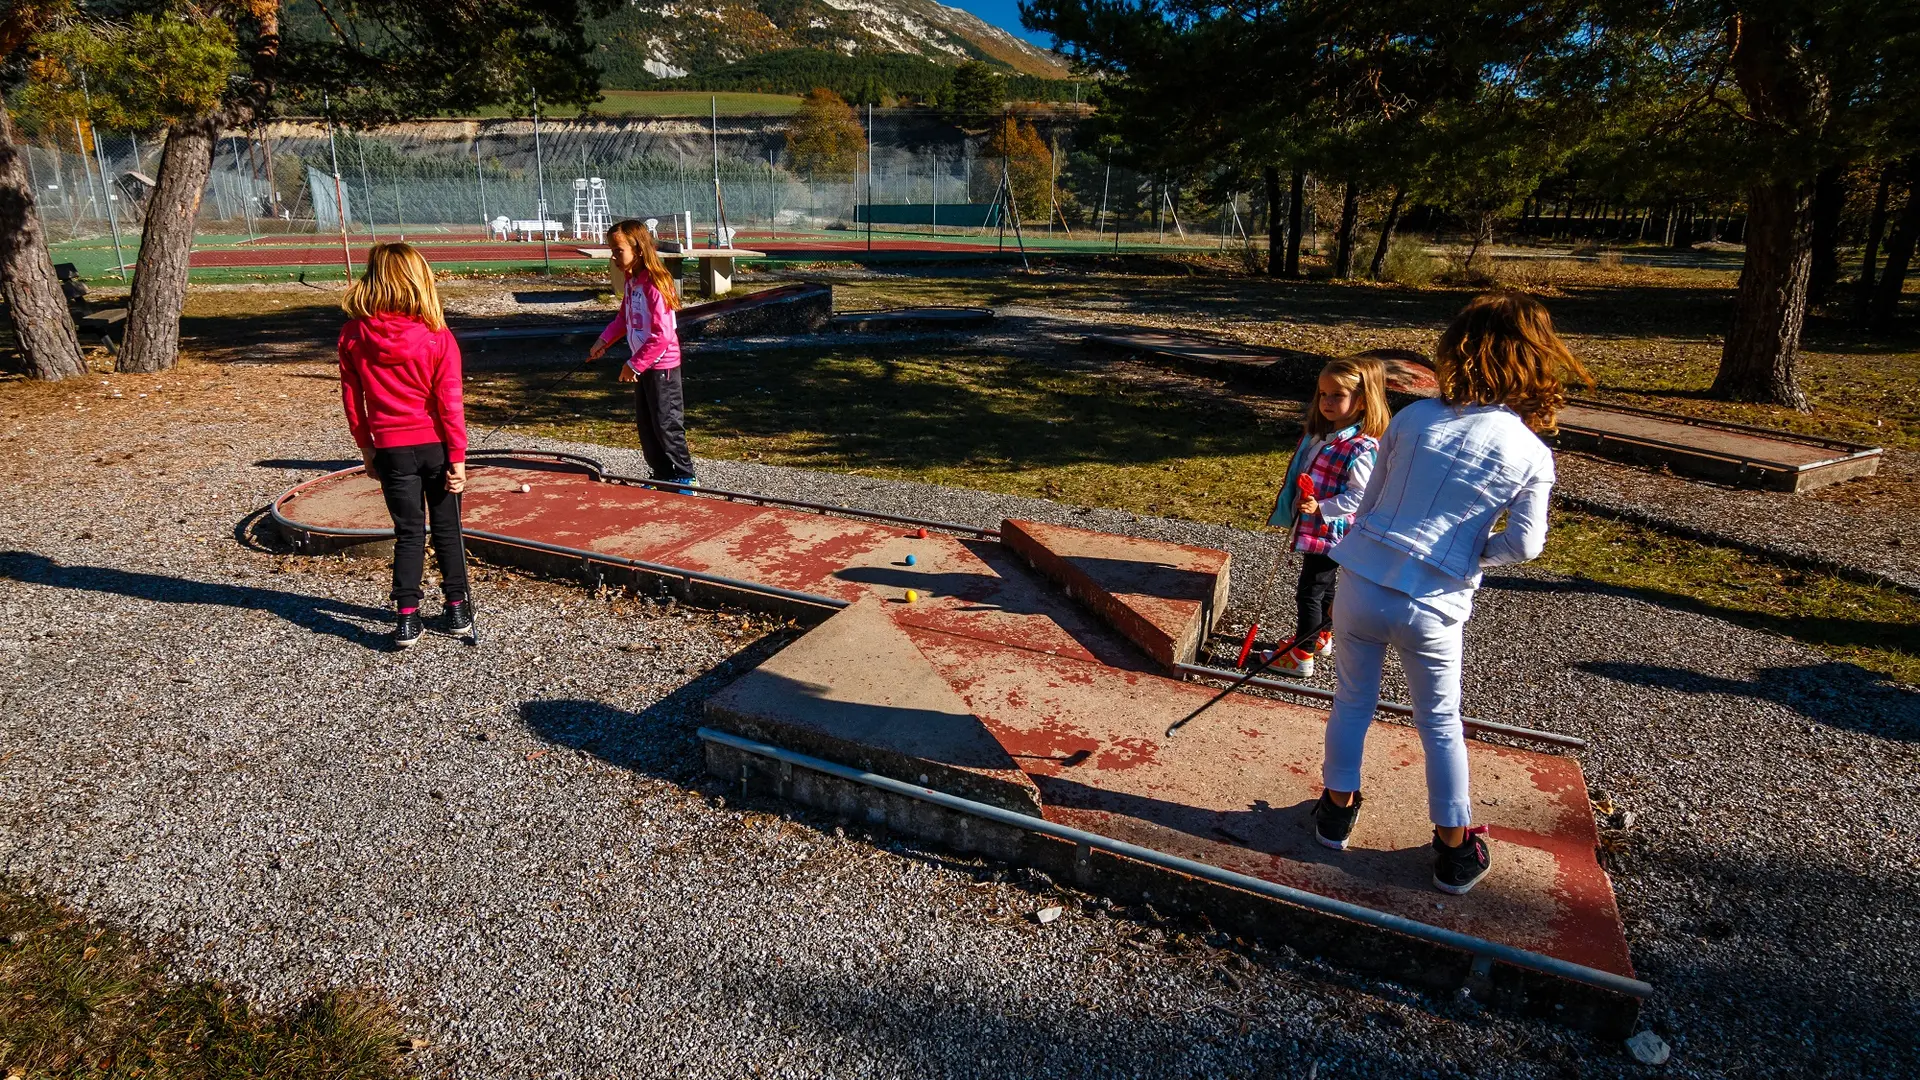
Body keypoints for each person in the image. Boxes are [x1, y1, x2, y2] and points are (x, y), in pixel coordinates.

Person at [1312, 292, 1590, 895]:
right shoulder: (1530, 452)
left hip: (1361, 579)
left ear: (1458, 349)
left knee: (1352, 699)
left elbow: (1372, 502)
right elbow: (1526, 545)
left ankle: (1335, 810)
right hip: (1434, 601)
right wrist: (1468, 553)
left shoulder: (1413, 418)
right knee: (1439, 721)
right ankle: (1454, 848)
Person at [337, 242, 472, 649]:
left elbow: (352, 398)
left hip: (392, 448)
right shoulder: (437, 336)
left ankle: (407, 616)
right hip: (436, 446)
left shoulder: (353, 335)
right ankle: (456, 607)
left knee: (408, 531)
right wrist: (459, 457)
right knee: (448, 528)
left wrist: (366, 447)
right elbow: (450, 402)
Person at [1264, 355, 1389, 678]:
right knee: (1326, 587)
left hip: (1332, 532)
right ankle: (1320, 634)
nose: (1327, 401)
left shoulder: (1360, 448)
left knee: (1310, 591)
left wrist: (1321, 507)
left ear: (1361, 402)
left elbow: (1361, 496)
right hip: (1321, 530)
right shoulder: (1328, 437)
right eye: (1323, 394)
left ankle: (1302, 654)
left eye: (1338, 395)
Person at [588, 219, 697, 490]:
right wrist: (603, 340)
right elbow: (624, 319)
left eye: (618, 250)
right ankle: (661, 473)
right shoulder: (632, 280)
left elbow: (663, 334)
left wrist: (634, 365)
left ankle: (685, 475)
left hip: (663, 367)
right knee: (647, 424)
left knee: (666, 422)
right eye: (611, 251)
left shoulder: (655, 283)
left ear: (637, 249)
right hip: (644, 366)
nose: (613, 257)